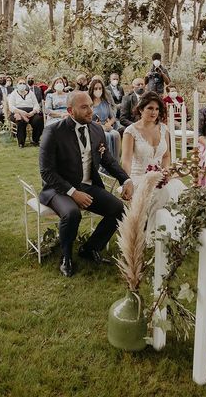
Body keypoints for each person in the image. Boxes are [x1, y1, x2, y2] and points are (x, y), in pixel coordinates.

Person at [39, 91, 134, 277]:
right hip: (58, 189)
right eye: (84, 107)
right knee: (72, 213)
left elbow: (108, 160)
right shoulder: (53, 131)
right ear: (70, 111)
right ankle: (66, 257)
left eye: (91, 105)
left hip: (88, 186)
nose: (91, 110)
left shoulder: (97, 129)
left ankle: (90, 249)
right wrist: (73, 192)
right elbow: (47, 172)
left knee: (119, 209)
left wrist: (126, 179)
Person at [121, 91, 185, 239]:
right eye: (150, 108)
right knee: (161, 193)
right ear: (141, 109)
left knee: (178, 190)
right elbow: (126, 161)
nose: (154, 112)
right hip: (137, 177)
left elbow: (166, 156)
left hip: (159, 175)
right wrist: (127, 182)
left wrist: (166, 171)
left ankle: (172, 232)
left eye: (157, 109)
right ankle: (154, 236)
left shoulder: (163, 129)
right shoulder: (131, 132)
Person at [88, 77, 121, 161]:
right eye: (96, 88)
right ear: (92, 89)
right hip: (93, 127)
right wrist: (98, 125)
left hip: (106, 126)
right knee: (106, 136)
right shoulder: (88, 103)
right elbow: (86, 119)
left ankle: (114, 161)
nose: (98, 90)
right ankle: (104, 163)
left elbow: (113, 117)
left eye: (100, 88)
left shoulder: (105, 102)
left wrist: (109, 123)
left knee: (116, 134)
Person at [8, 79, 44, 148]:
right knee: (20, 121)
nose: (22, 85)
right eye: (20, 83)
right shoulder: (13, 94)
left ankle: (35, 140)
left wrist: (33, 112)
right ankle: (21, 142)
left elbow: (36, 105)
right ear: (17, 85)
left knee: (38, 120)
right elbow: (11, 107)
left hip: (31, 112)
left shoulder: (30, 93)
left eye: (24, 83)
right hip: (18, 112)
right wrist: (21, 112)